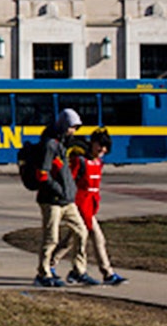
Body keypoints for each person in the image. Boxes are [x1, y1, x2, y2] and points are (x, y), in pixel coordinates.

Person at [50, 128, 128, 285]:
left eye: (106, 147)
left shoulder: (99, 163)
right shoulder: (80, 161)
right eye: (100, 145)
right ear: (92, 144)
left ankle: (51, 264)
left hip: (90, 207)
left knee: (71, 240)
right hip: (79, 206)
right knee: (97, 238)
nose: (102, 150)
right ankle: (106, 273)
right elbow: (69, 181)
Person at [33, 108, 99, 287]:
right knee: (51, 238)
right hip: (52, 201)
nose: (74, 131)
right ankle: (43, 273)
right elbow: (42, 174)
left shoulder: (63, 143)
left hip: (67, 201)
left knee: (81, 231)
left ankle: (79, 271)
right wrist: (58, 190)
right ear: (63, 125)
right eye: (72, 127)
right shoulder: (49, 145)